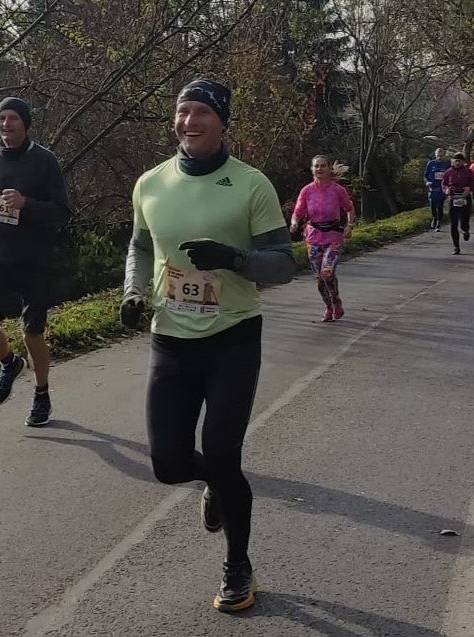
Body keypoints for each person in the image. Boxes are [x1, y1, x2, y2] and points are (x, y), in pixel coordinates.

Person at [119, 78, 296, 613]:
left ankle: (238, 565)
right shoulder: (150, 183)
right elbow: (140, 245)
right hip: (170, 340)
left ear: (222, 123)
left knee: (222, 452)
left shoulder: (250, 184)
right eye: (181, 111)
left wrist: (234, 258)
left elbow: (285, 263)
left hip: (232, 339)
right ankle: (214, 484)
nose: (188, 121)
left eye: (201, 112)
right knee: (169, 464)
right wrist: (132, 291)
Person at [0, 97, 71, 427]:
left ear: (25, 123)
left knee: (32, 334)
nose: (5, 123)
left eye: (13, 118)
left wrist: (26, 203)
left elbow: (61, 213)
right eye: (1, 118)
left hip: (35, 259)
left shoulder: (44, 161)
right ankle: (9, 363)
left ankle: (41, 393)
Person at [290, 155, 355, 321]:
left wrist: (349, 225)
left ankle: (336, 302)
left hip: (333, 236)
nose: (319, 169)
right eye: (316, 166)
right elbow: (298, 211)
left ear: (329, 169)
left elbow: (349, 208)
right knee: (319, 278)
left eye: (323, 166)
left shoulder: (337, 190)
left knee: (327, 272)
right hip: (313, 237)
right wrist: (294, 223)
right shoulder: (307, 191)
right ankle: (328, 307)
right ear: (312, 169)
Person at [442, 152, 474, 255]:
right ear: (452, 161)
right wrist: (446, 190)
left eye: (459, 161)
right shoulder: (448, 172)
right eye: (455, 161)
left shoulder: (468, 171)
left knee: (464, 221)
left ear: (463, 162)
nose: (457, 163)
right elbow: (444, 184)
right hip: (453, 198)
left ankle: (465, 230)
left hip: (464, 197)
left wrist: (469, 188)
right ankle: (456, 247)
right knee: (453, 224)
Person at [424, 148, 449, 231]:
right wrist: (427, 182)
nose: (439, 157)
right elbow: (425, 176)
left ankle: (438, 223)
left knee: (440, 206)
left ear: (444, 156)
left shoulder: (446, 165)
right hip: (432, 188)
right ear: (435, 155)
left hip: (441, 189)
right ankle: (434, 217)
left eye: (441, 156)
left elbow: (449, 176)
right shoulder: (430, 164)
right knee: (433, 206)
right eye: (438, 155)